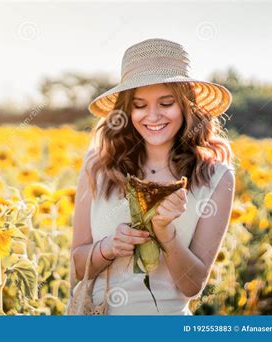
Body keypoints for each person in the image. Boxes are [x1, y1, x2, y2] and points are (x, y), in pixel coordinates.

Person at [70, 38, 236, 315]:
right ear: (127, 109)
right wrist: (108, 247)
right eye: (140, 105)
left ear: (186, 105)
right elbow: (77, 265)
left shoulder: (216, 177)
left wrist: (165, 233)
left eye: (166, 102)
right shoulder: (98, 165)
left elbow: (192, 286)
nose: (153, 115)